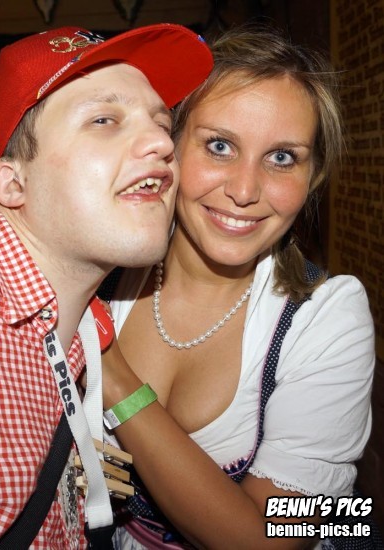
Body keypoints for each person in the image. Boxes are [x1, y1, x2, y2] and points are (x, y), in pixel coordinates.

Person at [97, 25, 375, 549]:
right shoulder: (98, 273)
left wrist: (113, 378)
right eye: (220, 146)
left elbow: (274, 539)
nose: (245, 191)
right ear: (169, 148)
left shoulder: (330, 315)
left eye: (282, 157)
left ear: (313, 177)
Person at [0, 24, 212, 549]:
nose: (163, 144)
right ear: (14, 182)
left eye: (162, 123)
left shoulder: (58, 309)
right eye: (104, 120)